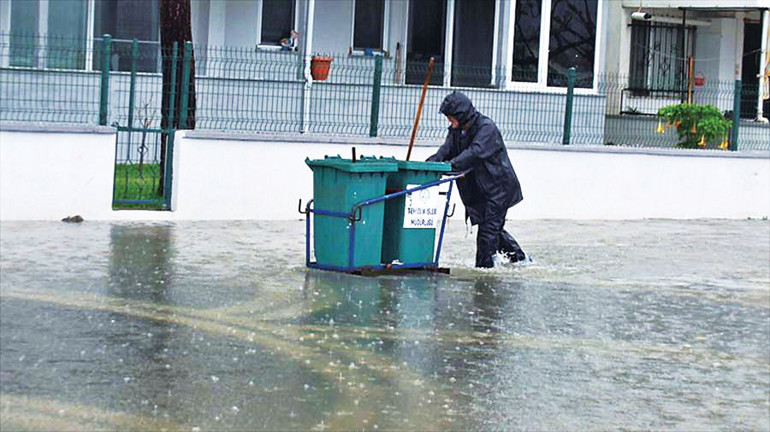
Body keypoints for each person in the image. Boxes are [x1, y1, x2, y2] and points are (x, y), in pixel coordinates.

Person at [426, 91, 526, 268]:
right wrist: (430, 165)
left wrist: (449, 166)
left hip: (498, 190)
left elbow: (475, 153)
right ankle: (520, 261)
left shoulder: (487, 128)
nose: (449, 121)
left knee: (487, 234)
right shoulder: (456, 131)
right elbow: (446, 149)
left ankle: (483, 273)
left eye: (451, 117)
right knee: (493, 230)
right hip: (480, 191)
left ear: (461, 114)